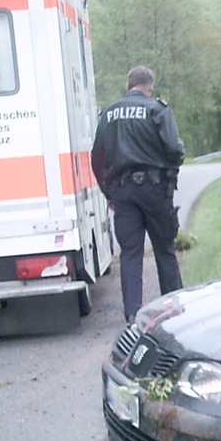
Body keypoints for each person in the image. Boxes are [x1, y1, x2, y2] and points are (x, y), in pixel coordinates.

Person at [91, 66, 185, 325]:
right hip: (155, 190)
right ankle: (173, 307)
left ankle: (133, 314)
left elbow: (96, 158)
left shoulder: (108, 115)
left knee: (130, 253)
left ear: (128, 84)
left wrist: (107, 192)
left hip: (122, 192)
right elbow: (174, 150)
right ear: (150, 86)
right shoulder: (158, 110)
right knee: (164, 249)